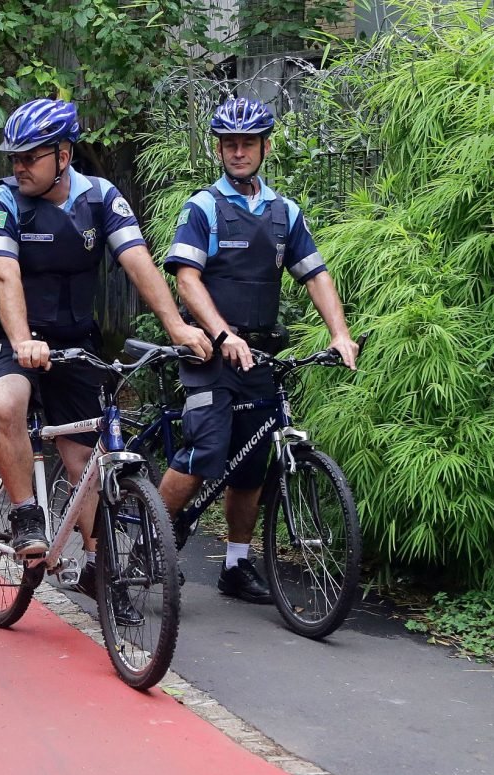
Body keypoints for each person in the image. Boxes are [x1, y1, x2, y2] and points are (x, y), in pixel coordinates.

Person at [0, 98, 211, 623]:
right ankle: (25, 513)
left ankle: (102, 568)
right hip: (8, 333)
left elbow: (137, 261)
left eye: (30, 156)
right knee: (9, 400)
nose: (18, 166)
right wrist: (22, 341)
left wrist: (176, 326)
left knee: (88, 464)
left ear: (63, 154)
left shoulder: (100, 198)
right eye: (14, 156)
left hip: (76, 339)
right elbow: (5, 274)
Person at [157, 97, 359, 604]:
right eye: (229, 143)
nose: (238, 152)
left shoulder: (284, 212)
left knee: (251, 466)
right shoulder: (203, 207)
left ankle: (236, 566)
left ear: (266, 147)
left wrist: (339, 333)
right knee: (205, 451)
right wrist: (223, 335)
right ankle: (145, 543)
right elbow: (187, 279)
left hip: (260, 355)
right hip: (209, 351)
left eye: (247, 143)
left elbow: (315, 274)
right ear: (220, 148)